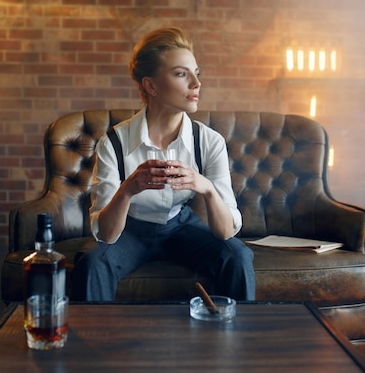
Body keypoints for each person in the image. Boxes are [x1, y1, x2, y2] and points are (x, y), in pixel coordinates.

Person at [71, 27, 255, 301]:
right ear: (151, 85)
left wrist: (206, 188)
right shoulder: (114, 143)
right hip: (130, 231)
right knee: (93, 261)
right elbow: (107, 235)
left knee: (237, 254)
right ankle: (97, 342)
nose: (196, 83)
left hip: (180, 226)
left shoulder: (209, 141)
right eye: (182, 74)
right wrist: (127, 190)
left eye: (197, 73)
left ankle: (238, 342)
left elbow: (226, 231)